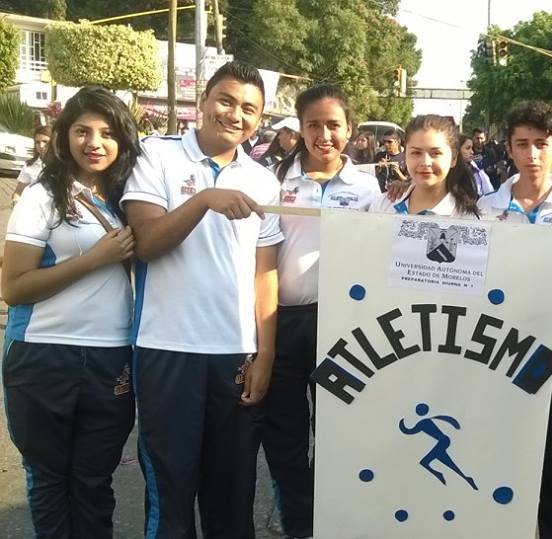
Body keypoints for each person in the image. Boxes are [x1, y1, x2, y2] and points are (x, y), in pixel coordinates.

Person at [121, 62, 283, 538]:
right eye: (226, 101)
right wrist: (203, 199)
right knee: (170, 494)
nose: (235, 114)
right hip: (167, 350)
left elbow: (264, 272)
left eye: (248, 109)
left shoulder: (264, 180)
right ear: (203, 101)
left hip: (235, 353)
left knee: (232, 497)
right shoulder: (157, 154)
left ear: (259, 119)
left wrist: (265, 355)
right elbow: (146, 244)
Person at [2, 86, 140, 538]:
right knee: (49, 480)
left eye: (107, 133)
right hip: (43, 354)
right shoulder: (43, 196)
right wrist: (94, 259)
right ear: (65, 135)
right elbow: (13, 288)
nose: (94, 143)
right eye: (83, 131)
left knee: (94, 480)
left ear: (123, 139)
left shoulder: (128, 200)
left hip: (110, 357)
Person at [478, 100, 552, 539]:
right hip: (492, 345)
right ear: (508, 147)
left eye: (541, 144)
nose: (532, 154)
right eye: (522, 144)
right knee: (502, 452)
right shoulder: (485, 207)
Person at [268, 84, 380, 539]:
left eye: (333, 125)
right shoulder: (275, 179)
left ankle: (334, 522)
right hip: (282, 321)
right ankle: (298, 524)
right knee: (285, 437)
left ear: (349, 130)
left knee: (339, 433)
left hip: (343, 327)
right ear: (300, 129)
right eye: (313, 125)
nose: (324, 135)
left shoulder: (369, 188)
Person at [370, 115, 480, 218]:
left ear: (453, 159)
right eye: (416, 153)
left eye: (436, 153)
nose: (425, 162)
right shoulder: (382, 207)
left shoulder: (466, 218)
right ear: (405, 155)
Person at [11, 125, 51, 205]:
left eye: (45, 141)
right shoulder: (29, 165)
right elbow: (18, 192)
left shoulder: (63, 164)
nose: (41, 146)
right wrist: (15, 201)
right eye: (37, 142)